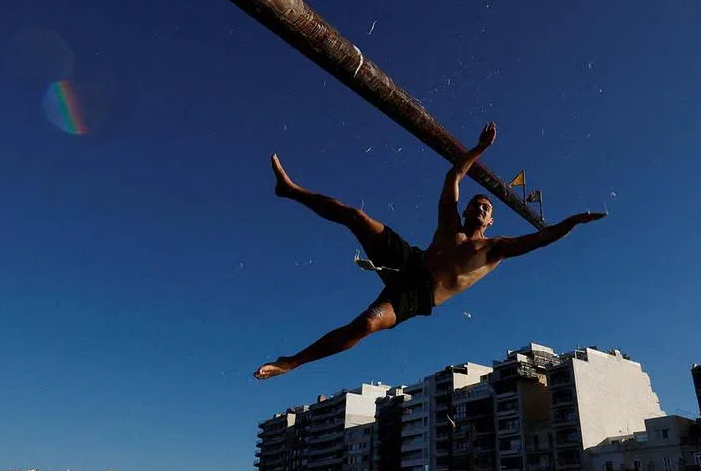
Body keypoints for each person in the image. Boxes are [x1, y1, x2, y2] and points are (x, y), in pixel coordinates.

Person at [255, 122, 605, 379]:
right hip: (409, 259)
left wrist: (573, 220)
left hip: (420, 295)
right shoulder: (449, 224)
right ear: (466, 211)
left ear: (492, 219)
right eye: (475, 204)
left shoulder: (496, 248)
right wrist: (479, 149)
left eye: (486, 207)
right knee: (357, 217)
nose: (480, 208)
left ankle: (292, 361)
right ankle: (290, 190)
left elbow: (543, 238)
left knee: (365, 324)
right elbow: (453, 178)